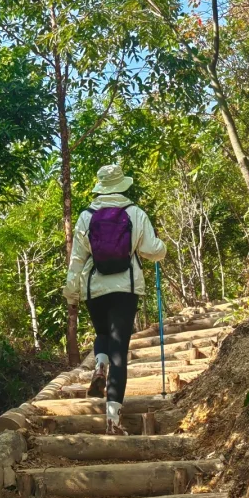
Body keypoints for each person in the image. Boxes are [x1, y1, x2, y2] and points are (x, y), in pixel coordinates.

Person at [63, 161, 167, 434]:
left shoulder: (86, 215)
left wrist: (71, 293)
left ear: (100, 186)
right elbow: (151, 250)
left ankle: (100, 363)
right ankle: (113, 422)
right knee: (120, 351)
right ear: (122, 184)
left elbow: (77, 260)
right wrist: (163, 247)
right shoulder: (135, 212)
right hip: (125, 288)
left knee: (103, 336)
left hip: (94, 289)